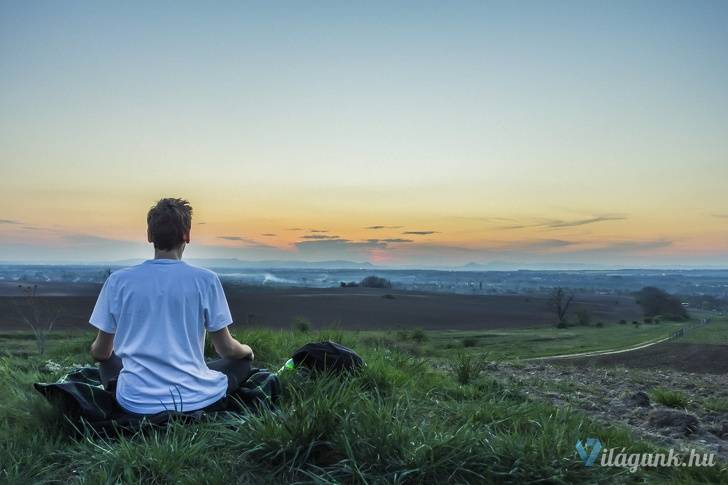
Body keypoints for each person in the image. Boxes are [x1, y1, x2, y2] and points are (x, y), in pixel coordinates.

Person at [88, 198, 254, 415]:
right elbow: (226, 350)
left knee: (108, 360)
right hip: (194, 399)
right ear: (187, 235)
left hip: (135, 402)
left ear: (149, 236)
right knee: (241, 364)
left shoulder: (118, 281)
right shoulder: (206, 280)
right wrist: (247, 351)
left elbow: (100, 353)